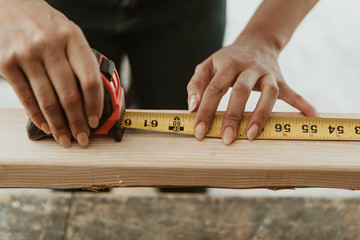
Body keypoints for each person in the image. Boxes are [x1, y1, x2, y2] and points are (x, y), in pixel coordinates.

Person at [0, 0, 319, 148]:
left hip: (184, 10)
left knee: (191, 143)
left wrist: (264, 38)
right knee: (73, 161)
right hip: (52, 8)